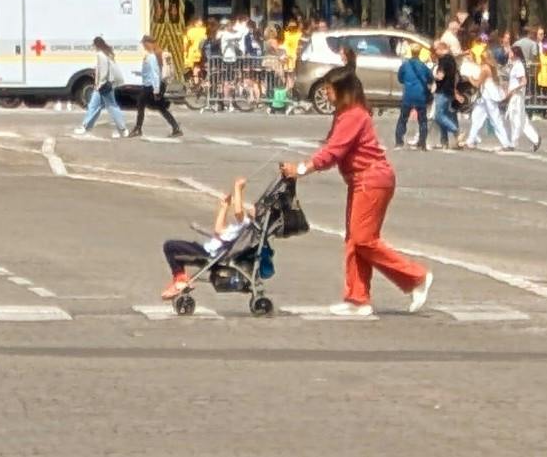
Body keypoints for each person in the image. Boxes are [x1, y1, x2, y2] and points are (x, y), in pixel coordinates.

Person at [284, 65, 433, 316]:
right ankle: (357, 298)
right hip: (361, 180)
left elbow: (333, 152)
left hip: (371, 179)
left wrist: (301, 169)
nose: (326, 94)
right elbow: (333, 149)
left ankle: (416, 277)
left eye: (329, 89)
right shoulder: (345, 114)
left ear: (343, 91)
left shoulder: (354, 115)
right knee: (355, 240)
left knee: (364, 240)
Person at [161, 176, 252, 301]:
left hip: (209, 253)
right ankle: (180, 279)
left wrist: (238, 188)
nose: (252, 207)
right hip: (207, 249)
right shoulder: (239, 226)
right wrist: (224, 207)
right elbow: (218, 230)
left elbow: (238, 212)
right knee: (172, 248)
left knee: (170, 246)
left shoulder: (246, 223)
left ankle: (180, 280)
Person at [129, 38, 182, 139]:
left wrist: (156, 89)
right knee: (159, 107)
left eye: (145, 44)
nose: (144, 47)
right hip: (156, 84)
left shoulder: (154, 56)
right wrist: (140, 74)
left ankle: (138, 129)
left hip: (152, 85)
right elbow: (154, 72)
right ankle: (176, 127)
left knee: (141, 103)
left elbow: (155, 73)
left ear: (149, 43)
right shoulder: (158, 53)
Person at [81, 37, 125, 137]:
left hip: (103, 85)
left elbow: (104, 72)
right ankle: (86, 126)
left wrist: (100, 84)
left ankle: (122, 128)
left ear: (96, 45)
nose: (93, 47)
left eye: (93, 45)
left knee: (111, 106)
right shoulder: (106, 53)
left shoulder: (101, 55)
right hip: (104, 85)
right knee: (94, 106)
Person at [504, 38, 541, 154]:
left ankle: (513, 143)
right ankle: (535, 139)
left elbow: (523, 81)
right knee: (522, 120)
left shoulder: (519, 65)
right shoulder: (515, 64)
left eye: (510, 52)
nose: (509, 54)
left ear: (515, 54)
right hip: (514, 95)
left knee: (515, 119)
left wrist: (513, 90)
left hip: (517, 96)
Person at [394, 46, 433, 151]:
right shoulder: (423, 66)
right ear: (419, 53)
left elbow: (400, 78)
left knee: (403, 119)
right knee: (423, 120)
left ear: (411, 52)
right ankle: (422, 142)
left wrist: (407, 82)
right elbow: (430, 79)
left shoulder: (405, 65)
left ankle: (399, 142)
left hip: (408, 95)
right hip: (421, 95)